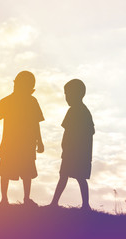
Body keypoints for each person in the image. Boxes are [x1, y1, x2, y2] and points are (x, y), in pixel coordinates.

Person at [0, 71, 44, 206]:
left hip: (22, 143)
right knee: (7, 171)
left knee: (21, 172)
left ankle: (22, 199)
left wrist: (40, 141)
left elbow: (36, 123)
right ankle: (5, 199)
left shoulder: (28, 101)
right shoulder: (14, 100)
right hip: (14, 143)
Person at [49, 79, 94, 210]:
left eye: (68, 94)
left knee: (75, 177)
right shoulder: (81, 111)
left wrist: (68, 147)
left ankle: (85, 205)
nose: (66, 97)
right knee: (66, 176)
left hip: (76, 152)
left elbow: (72, 132)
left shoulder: (78, 111)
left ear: (77, 94)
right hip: (74, 152)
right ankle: (55, 203)